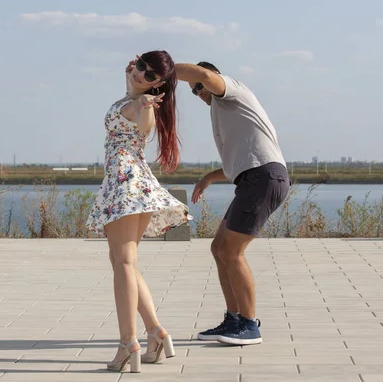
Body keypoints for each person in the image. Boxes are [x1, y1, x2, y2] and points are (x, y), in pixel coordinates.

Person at [86, 50, 191, 372]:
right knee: (127, 264)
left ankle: (127, 343)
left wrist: (145, 105)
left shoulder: (140, 105)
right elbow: (132, 90)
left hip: (126, 186)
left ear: (159, 85)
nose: (139, 75)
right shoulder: (131, 96)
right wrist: (133, 77)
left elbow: (144, 127)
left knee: (123, 265)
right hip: (135, 185)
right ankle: (155, 332)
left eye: (149, 75)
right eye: (140, 67)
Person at [175, 61, 290, 345]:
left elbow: (202, 74)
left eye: (200, 87)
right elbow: (239, 163)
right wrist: (208, 178)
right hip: (254, 178)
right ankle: (234, 319)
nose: (199, 92)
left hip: (263, 178)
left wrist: (160, 70)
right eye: (193, 91)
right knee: (219, 248)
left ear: (214, 78)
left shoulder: (232, 91)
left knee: (232, 252)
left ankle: (249, 325)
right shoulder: (225, 112)